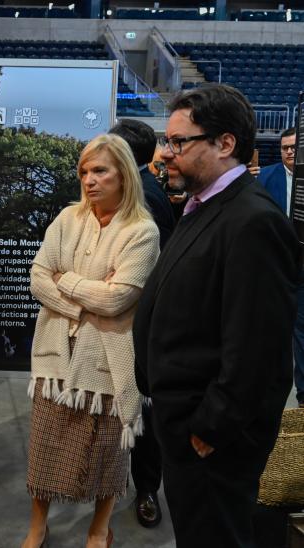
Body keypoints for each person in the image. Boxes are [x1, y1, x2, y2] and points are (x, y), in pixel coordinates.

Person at [133, 84, 301, 547]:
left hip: (211, 439)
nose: (166, 154)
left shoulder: (253, 221)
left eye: (179, 142)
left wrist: (212, 427)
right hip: (183, 425)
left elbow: (256, 347)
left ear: (225, 144)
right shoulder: (204, 204)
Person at [22, 133, 160, 548]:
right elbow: (37, 278)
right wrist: (85, 301)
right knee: (45, 445)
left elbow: (119, 298)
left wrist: (67, 283)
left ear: (123, 175)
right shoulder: (67, 220)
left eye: (100, 170)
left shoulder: (142, 231)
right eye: (84, 171)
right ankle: (37, 525)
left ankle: (100, 527)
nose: (89, 180)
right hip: (56, 355)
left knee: (105, 449)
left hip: (106, 359)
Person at [108, 119, 173, 528]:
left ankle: (146, 489)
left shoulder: (145, 201)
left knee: (142, 411)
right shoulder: (126, 194)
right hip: (115, 322)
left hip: (138, 324)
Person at [259, 127, 304, 409]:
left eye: (293, 147)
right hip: (273, 267)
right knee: (268, 332)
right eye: (284, 147)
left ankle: (302, 395)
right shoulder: (265, 177)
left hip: (302, 268)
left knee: (301, 333)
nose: (288, 151)